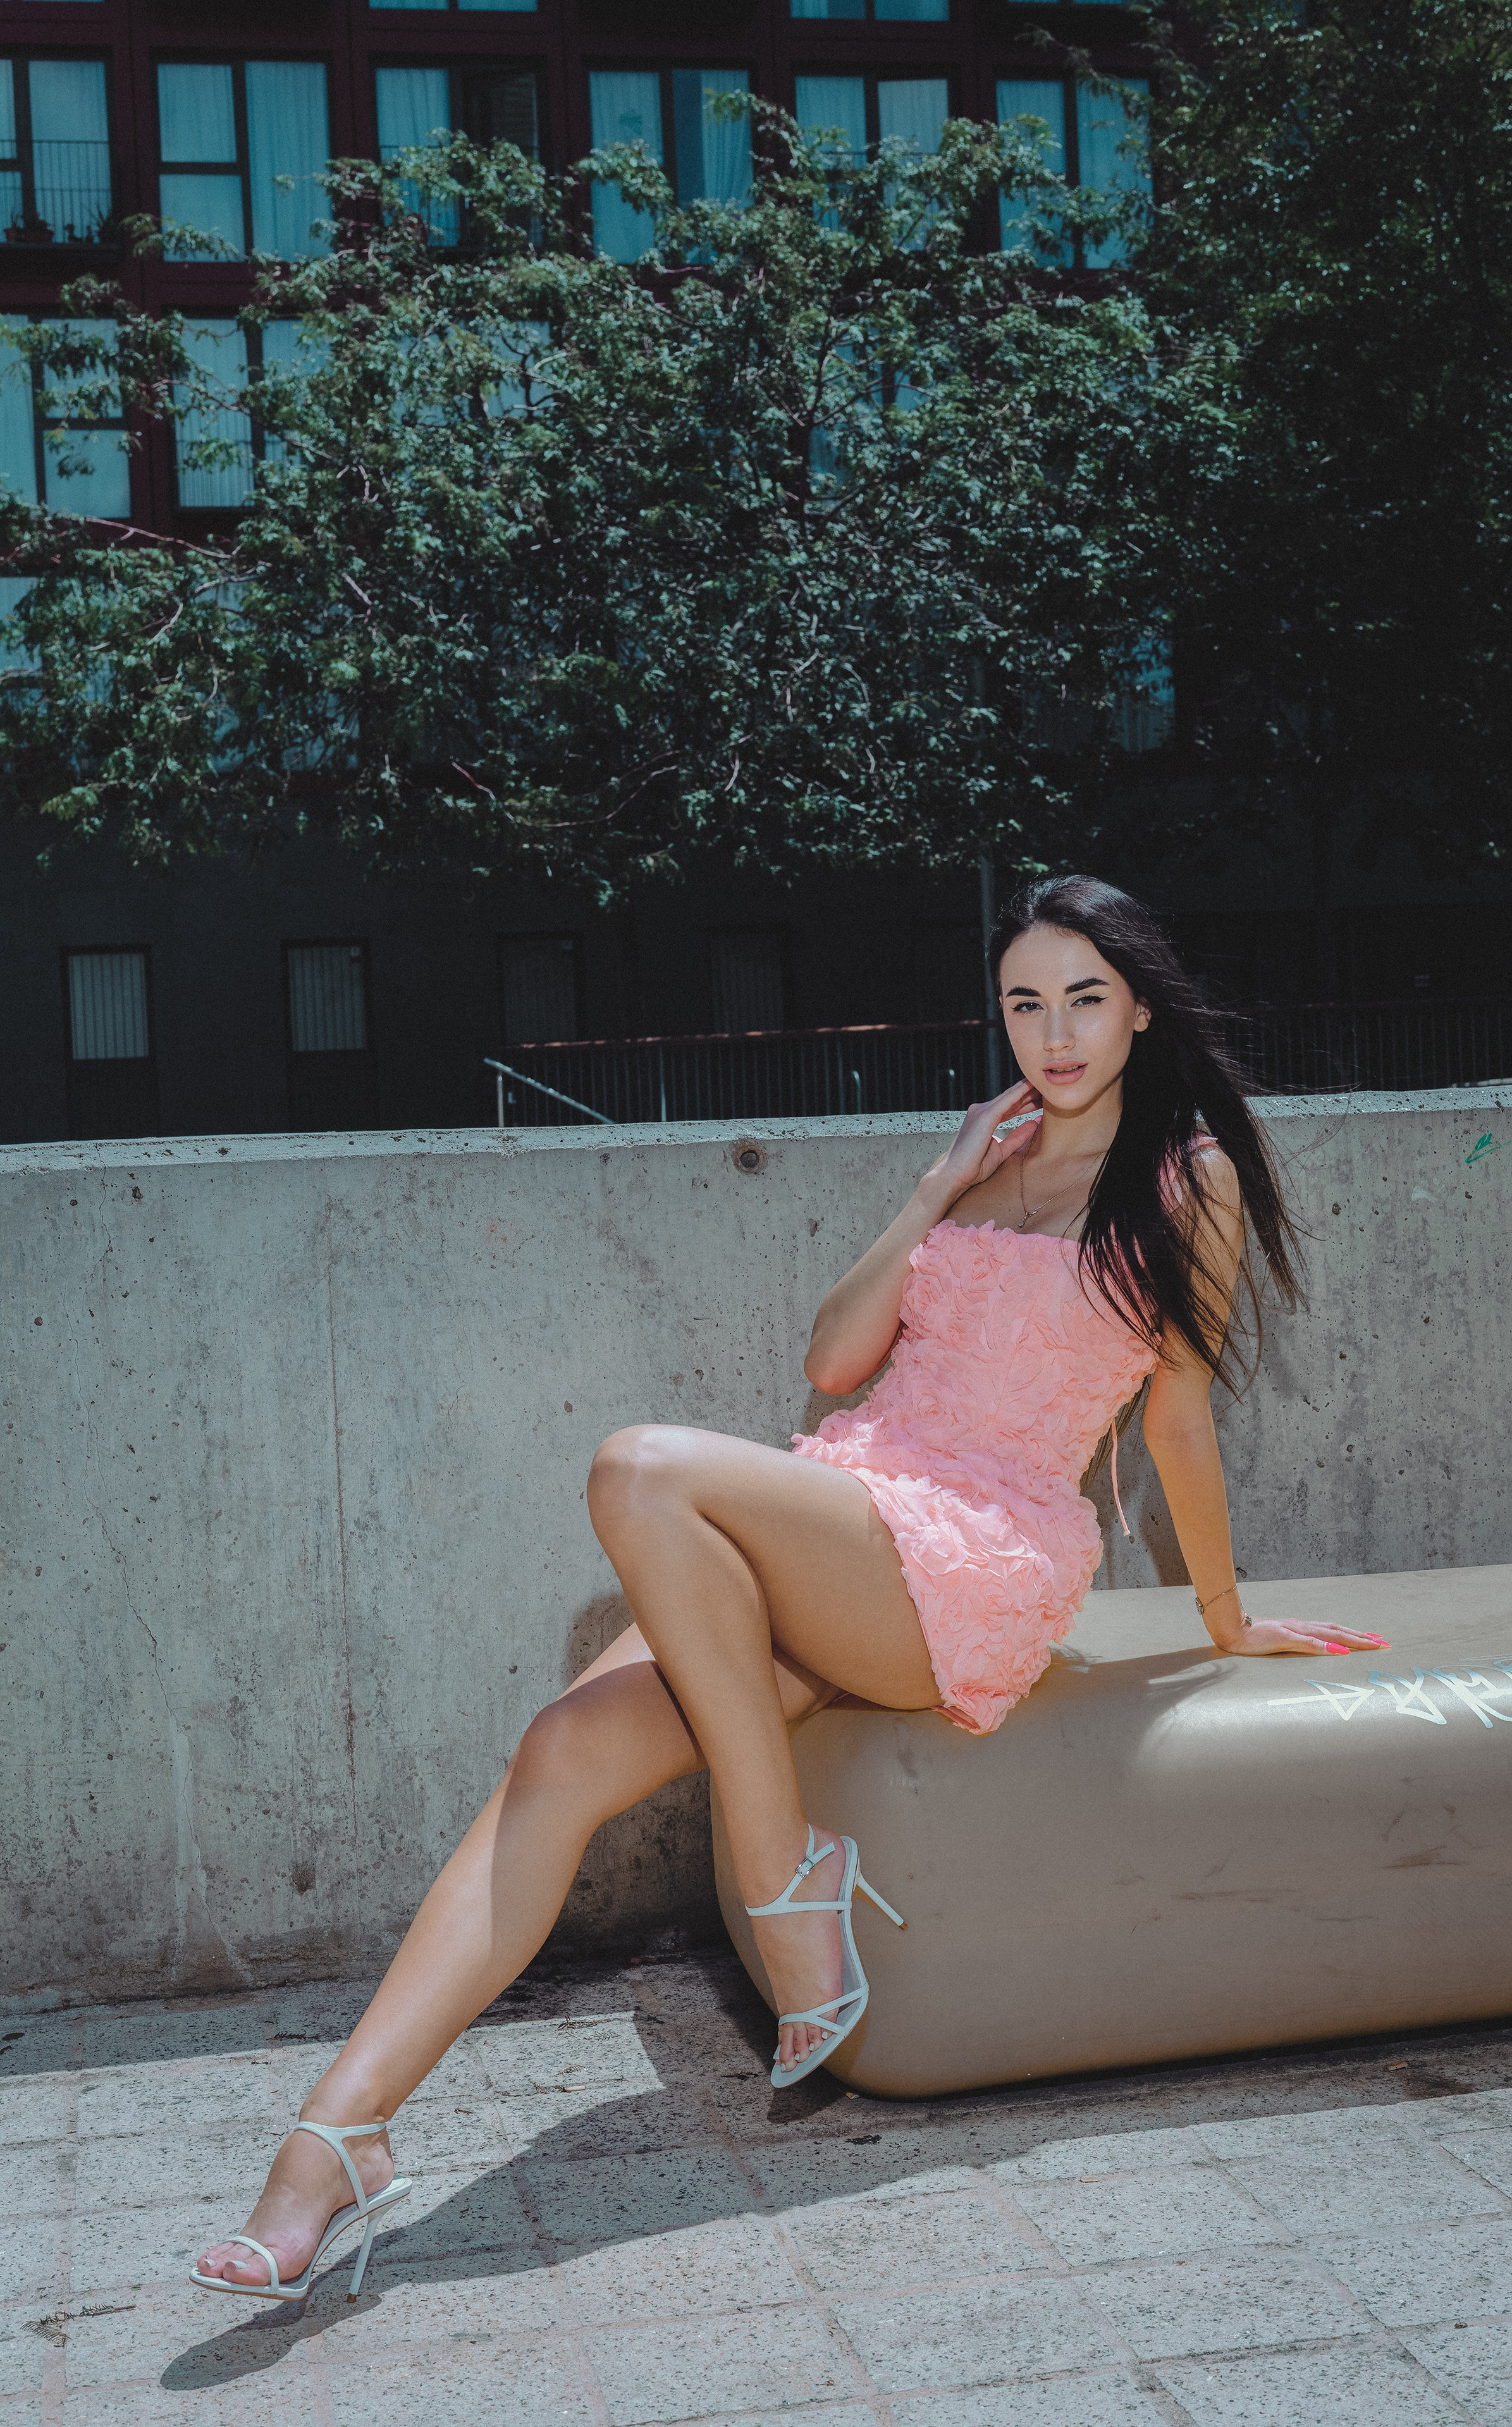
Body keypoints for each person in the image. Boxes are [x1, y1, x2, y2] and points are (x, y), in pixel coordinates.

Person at [191, 872, 1388, 2302]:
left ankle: (776, 1866)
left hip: (975, 1550)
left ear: (1137, 1004)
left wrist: (1221, 1618)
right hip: (849, 1501)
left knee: (638, 1465)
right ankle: (333, 2142)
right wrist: (932, 1186)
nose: (1053, 1033)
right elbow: (833, 1364)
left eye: (1083, 997)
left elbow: (1176, 1415)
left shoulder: (1182, 1179)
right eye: (1024, 1001)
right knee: (561, 1749)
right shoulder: (982, 1158)